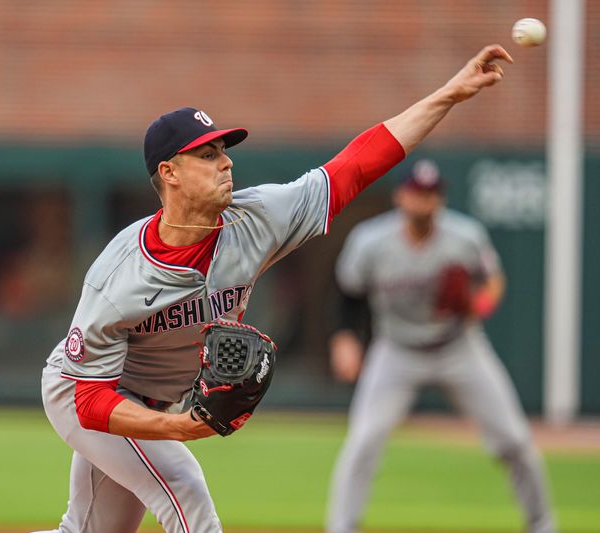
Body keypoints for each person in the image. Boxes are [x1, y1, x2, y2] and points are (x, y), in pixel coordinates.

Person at [37, 44, 513, 533]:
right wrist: (177, 428)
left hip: (152, 400)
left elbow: (355, 166)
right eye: (207, 154)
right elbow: (88, 399)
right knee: (185, 489)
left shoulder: (255, 219)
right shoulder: (120, 275)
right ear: (169, 173)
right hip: (88, 393)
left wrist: (449, 95)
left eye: (223, 151)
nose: (225, 163)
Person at [325, 159, 555, 533]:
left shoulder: (465, 237)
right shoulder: (371, 241)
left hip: (459, 347)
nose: (423, 201)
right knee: (364, 440)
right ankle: (341, 527)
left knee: (514, 440)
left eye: (431, 194)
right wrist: (345, 338)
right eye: (417, 193)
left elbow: (492, 280)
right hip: (397, 350)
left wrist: (479, 304)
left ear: (441, 199)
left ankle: (543, 525)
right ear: (400, 196)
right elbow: (348, 293)